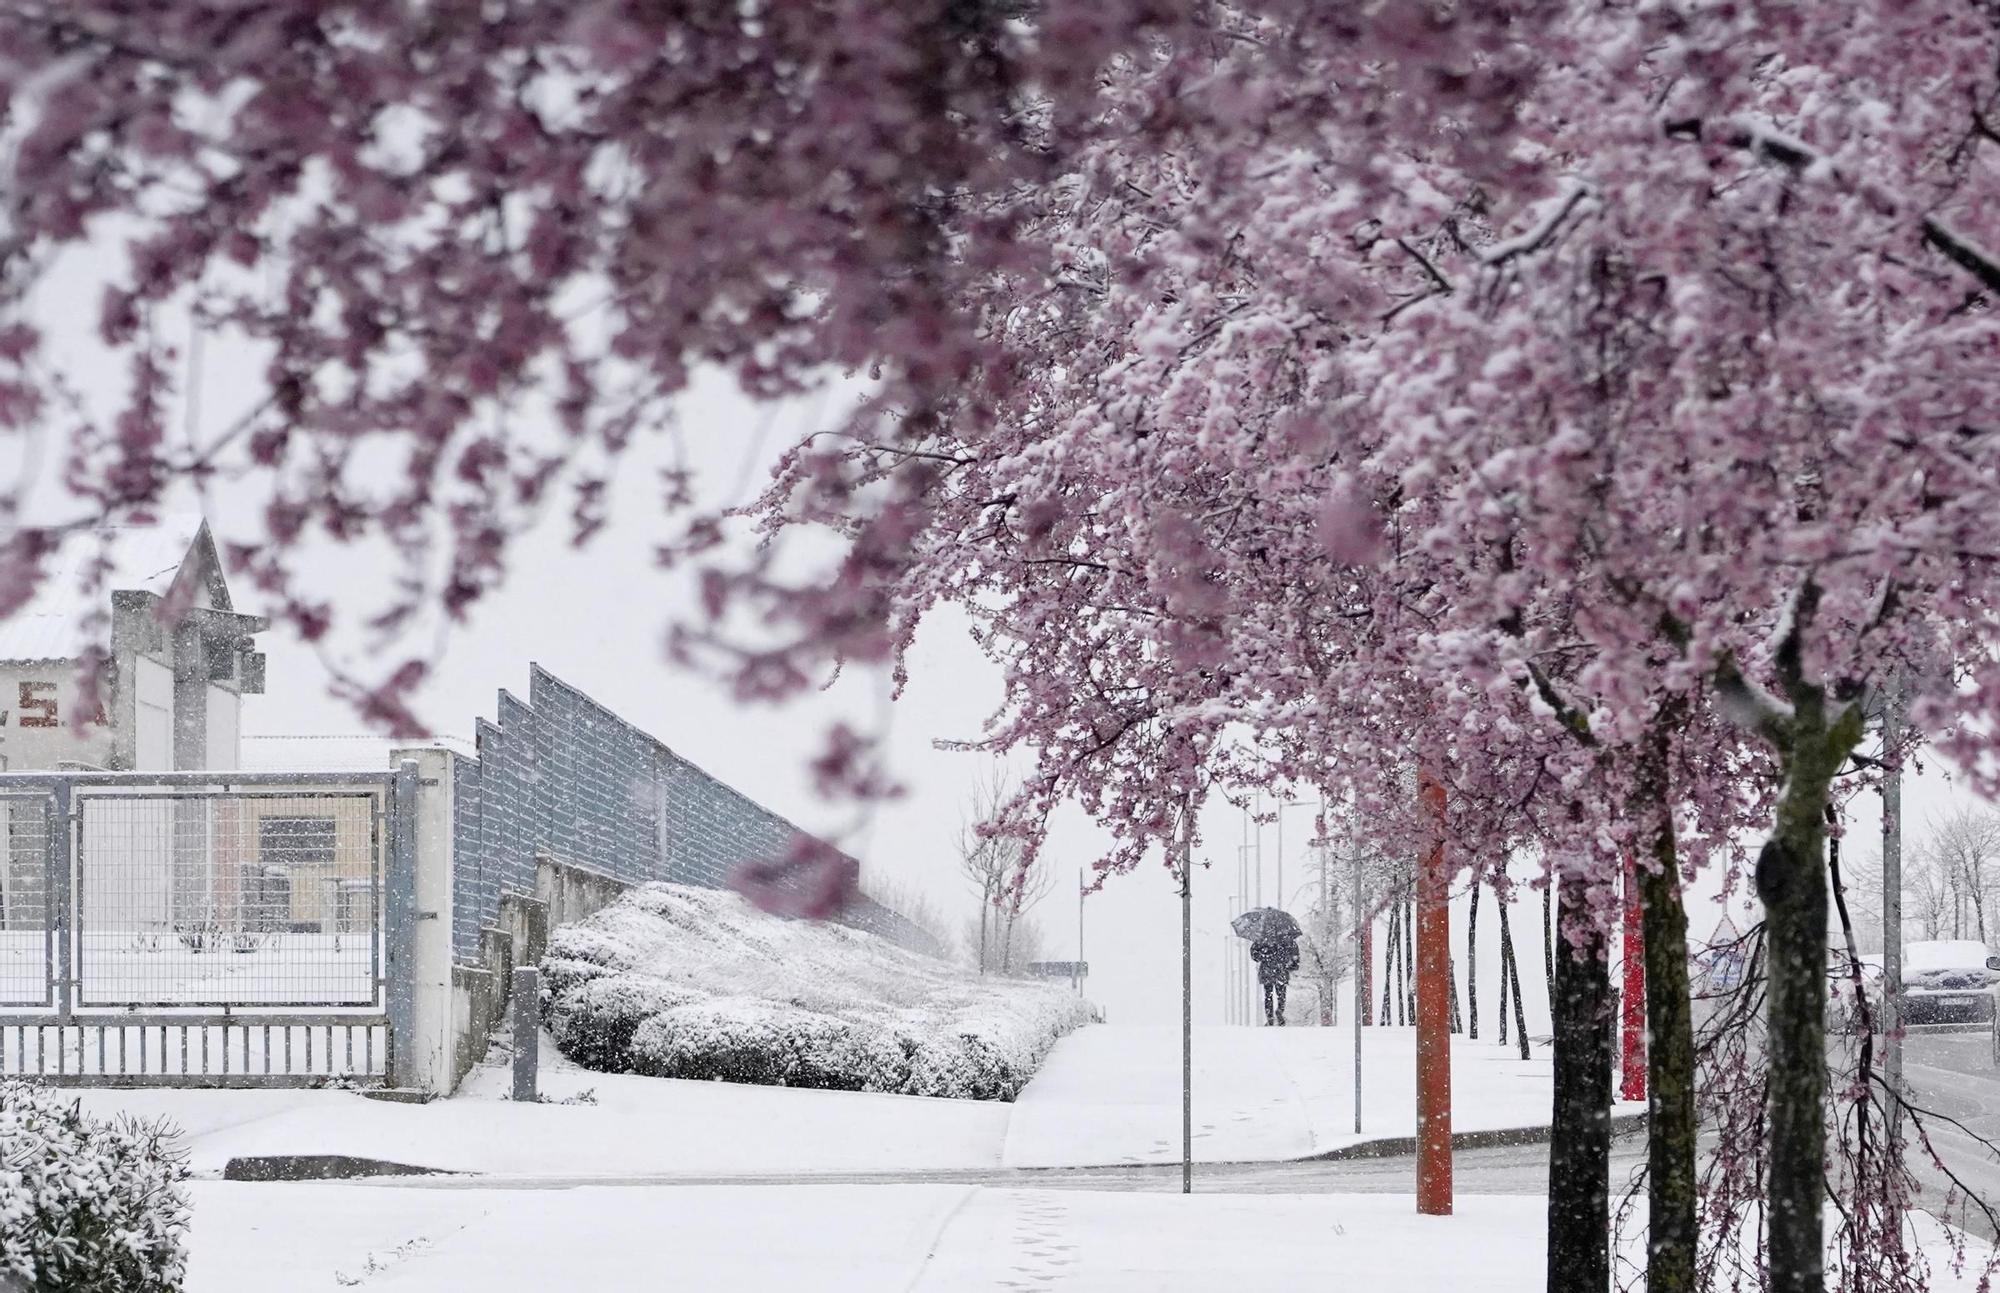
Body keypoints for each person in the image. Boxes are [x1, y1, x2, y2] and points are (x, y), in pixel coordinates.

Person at [1251, 925, 1302, 1026]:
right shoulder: (1286, 939)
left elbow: (1254, 955)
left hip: (1267, 970)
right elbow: (1295, 955)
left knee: (1268, 995)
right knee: (1281, 995)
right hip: (1281, 970)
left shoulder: (1262, 939)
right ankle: (1279, 1011)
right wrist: (1290, 964)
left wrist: (1264, 955)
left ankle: (1270, 1018)